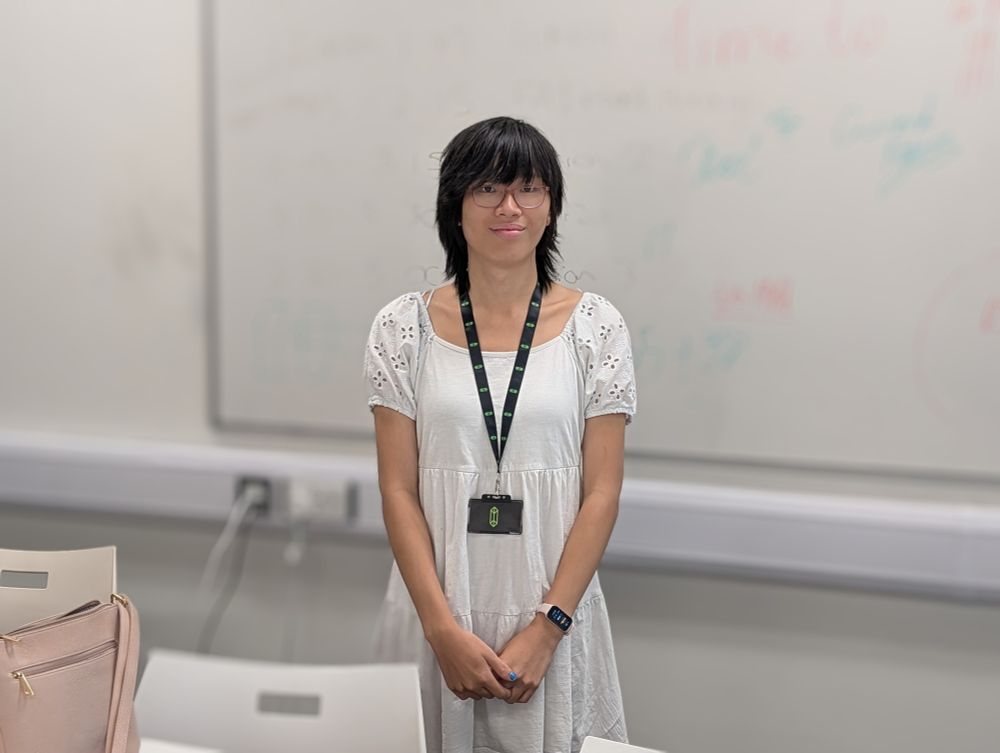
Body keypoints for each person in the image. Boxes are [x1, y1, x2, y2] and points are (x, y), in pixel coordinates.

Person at [363, 116, 637, 753]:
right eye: (487, 189)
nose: (509, 206)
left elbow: (602, 493)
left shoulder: (596, 327)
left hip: (554, 620)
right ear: (454, 208)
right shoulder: (402, 327)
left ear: (551, 209)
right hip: (435, 616)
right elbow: (398, 490)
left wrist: (547, 629)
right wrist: (441, 631)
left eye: (529, 189)